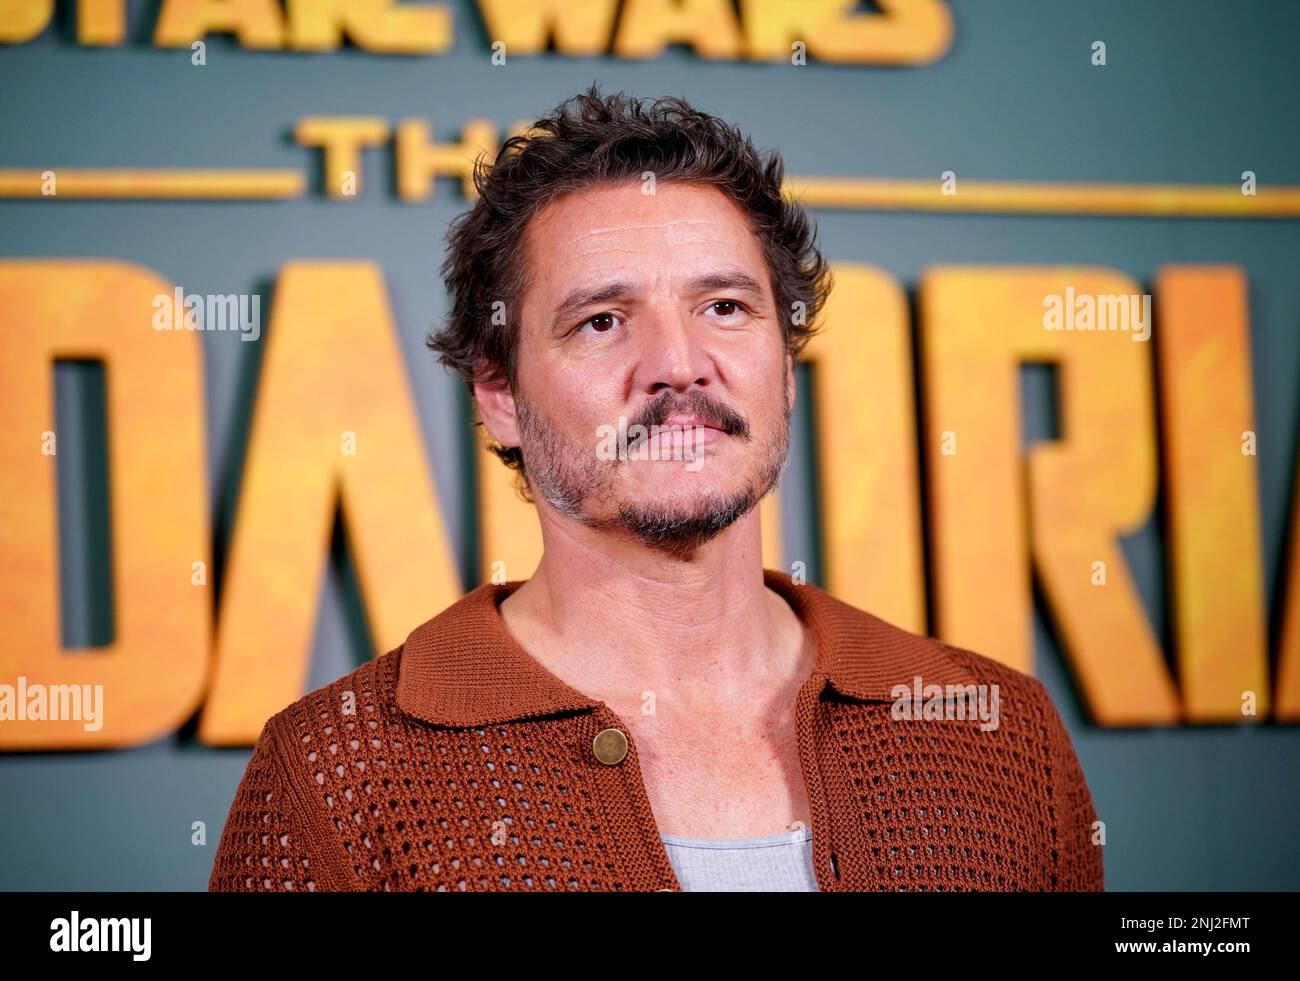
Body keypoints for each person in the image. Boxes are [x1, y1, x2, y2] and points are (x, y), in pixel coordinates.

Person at [209, 84, 1103, 892]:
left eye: (725, 307)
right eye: (602, 320)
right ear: (500, 396)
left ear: (784, 368)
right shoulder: (336, 775)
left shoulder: (998, 733)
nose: (680, 365)